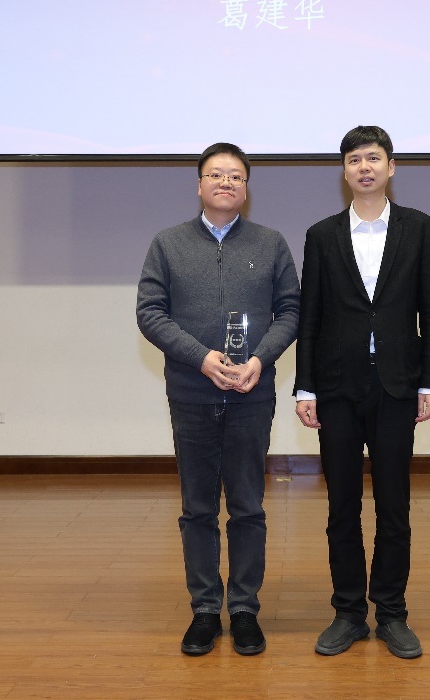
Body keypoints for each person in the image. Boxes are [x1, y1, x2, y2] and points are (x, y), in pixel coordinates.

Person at [136, 143, 300, 656]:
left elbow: (291, 311)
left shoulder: (270, 244)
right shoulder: (168, 243)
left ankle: (245, 609)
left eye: (235, 176)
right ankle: (205, 609)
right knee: (198, 508)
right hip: (191, 393)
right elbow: (150, 312)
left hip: (252, 394)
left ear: (246, 188)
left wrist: (260, 359)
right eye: (215, 174)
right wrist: (201, 358)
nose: (225, 182)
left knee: (248, 506)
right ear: (199, 185)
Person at [294, 125, 430, 660]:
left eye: (374, 158)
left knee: (394, 506)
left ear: (391, 167)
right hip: (336, 387)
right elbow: (309, 317)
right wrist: (305, 387)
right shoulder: (321, 235)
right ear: (344, 171)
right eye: (355, 159)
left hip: (397, 385)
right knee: (341, 507)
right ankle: (348, 613)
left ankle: (392, 613)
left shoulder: (420, 228)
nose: (365, 167)